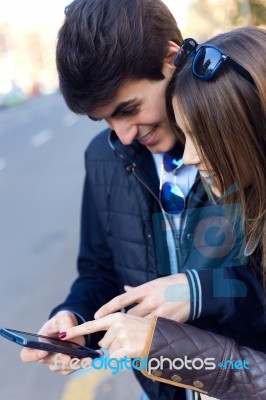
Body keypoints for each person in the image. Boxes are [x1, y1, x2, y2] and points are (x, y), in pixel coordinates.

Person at [20, 1, 266, 399]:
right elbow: (99, 269)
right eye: (105, 120)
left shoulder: (241, 141)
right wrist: (74, 318)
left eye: (129, 109)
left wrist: (199, 291)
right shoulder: (104, 157)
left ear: (171, 59)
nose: (124, 135)